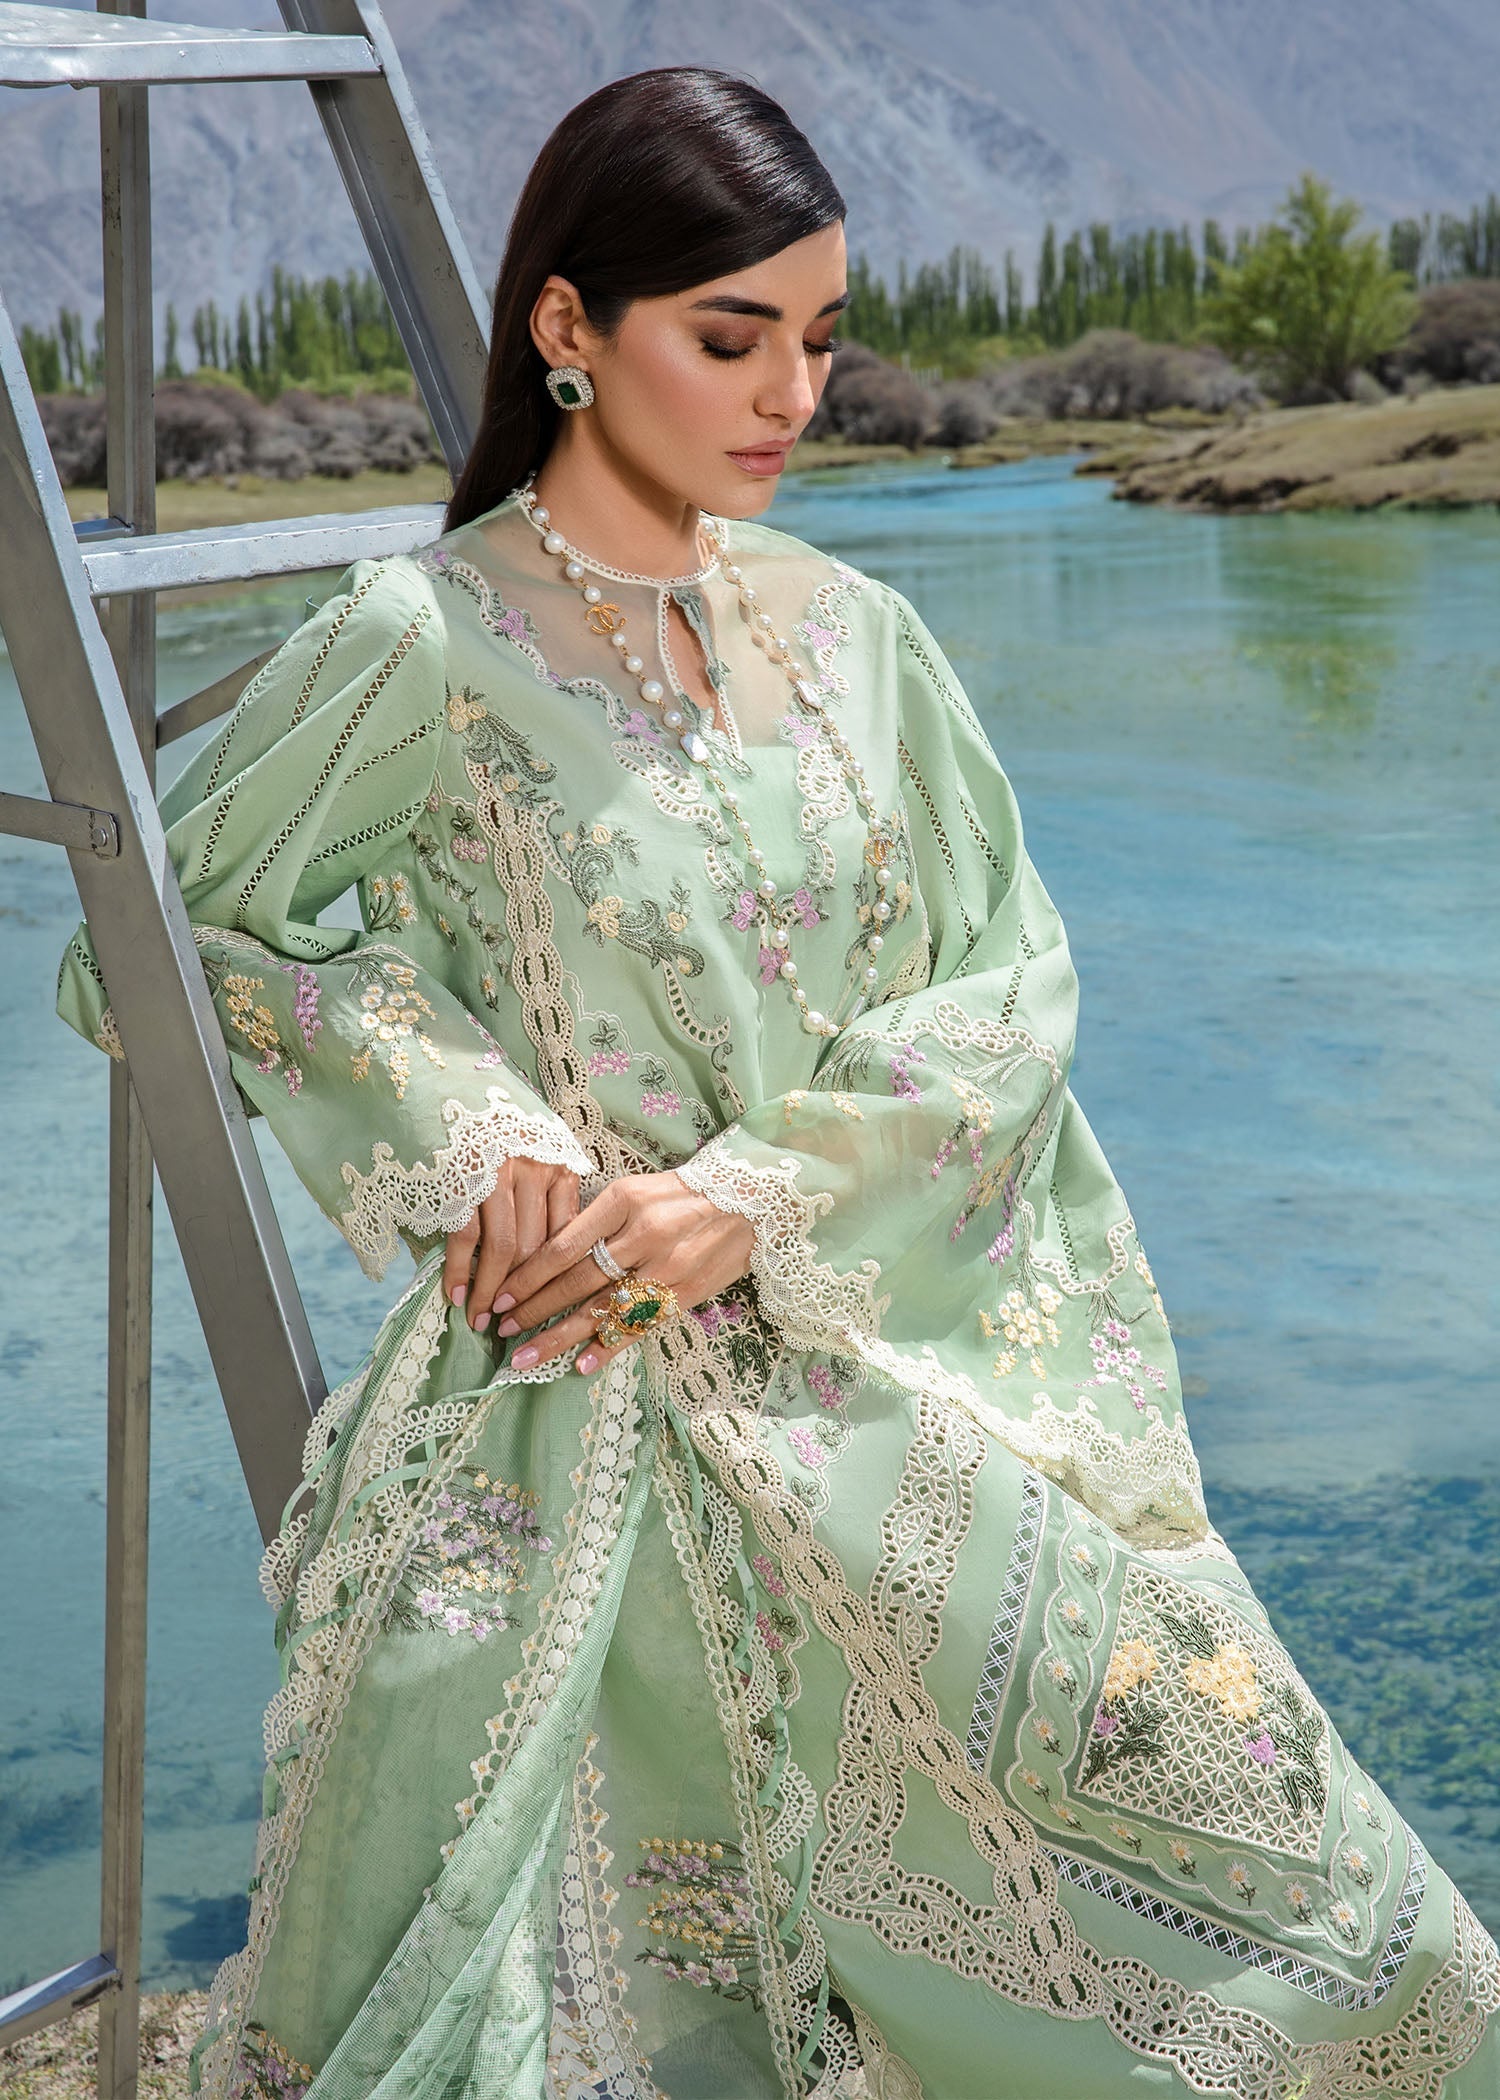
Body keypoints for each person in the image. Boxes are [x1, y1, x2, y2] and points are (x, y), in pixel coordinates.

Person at [55, 64, 1499, 2100]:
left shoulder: (864, 638)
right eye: (732, 338)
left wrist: (762, 1191)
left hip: (879, 1344)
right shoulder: (423, 644)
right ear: (567, 327)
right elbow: (183, 933)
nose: (791, 396)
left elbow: (1009, 983)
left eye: (821, 339)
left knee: (1300, 1875)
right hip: (580, 1383)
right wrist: (479, 1135)